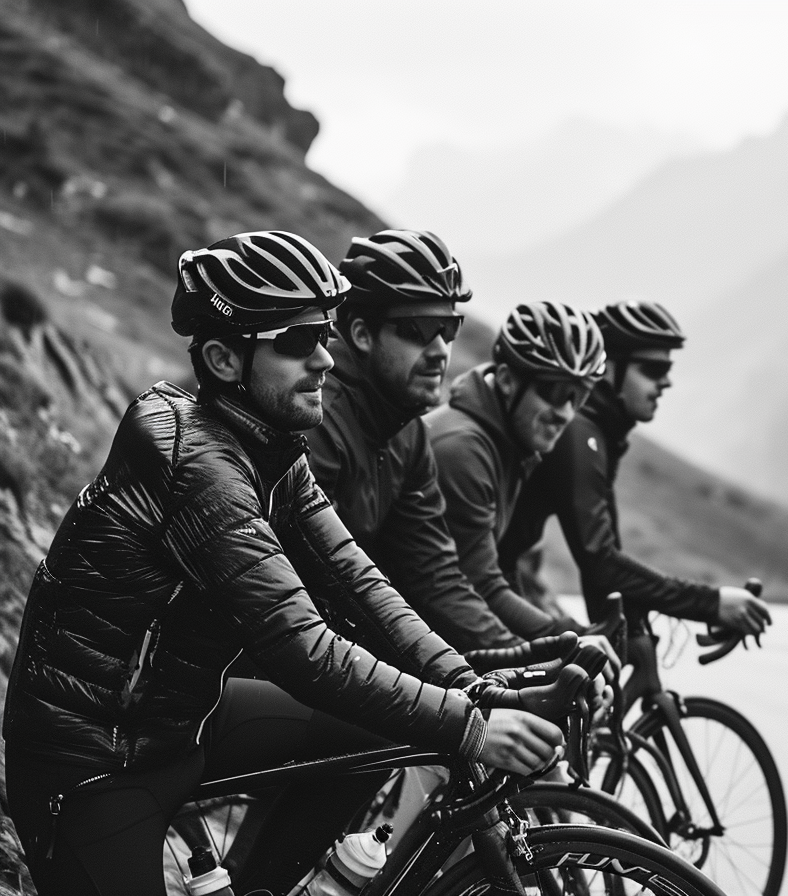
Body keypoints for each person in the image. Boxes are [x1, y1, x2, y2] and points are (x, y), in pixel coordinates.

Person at [1, 231, 565, 896]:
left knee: (379, 734)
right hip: (95, 761)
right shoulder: (201, 467)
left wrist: (471, 688)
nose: (324, 358)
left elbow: (361, 583)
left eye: (324, 334)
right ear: (222, 356)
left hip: (182, 721)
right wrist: (468, 727)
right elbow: (304, 646)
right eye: (298, 342)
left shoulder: (271, 448)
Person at [307, 230, 612, 657]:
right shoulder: (319, 421)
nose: (439, 350)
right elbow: (320, 583)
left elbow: (438, 578)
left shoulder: (406, 433)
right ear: (361, 333)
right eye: (419, 329)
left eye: (448, 329)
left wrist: (526, 660)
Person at [498, 299, 772, 637]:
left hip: (503, 583)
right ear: (610, 368)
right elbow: (599, 562)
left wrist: (630, 630)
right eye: (654, 370)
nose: (667, 382)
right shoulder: (580, 433)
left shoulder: (601, 434)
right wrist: (710, 602)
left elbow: (605, 564)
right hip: (486, 590)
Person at [422, 301, 606, 641]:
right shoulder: (463, 449)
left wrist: (565, 630)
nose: (564, 413)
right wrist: (564, 639)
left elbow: (504, 573)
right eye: (553, 391)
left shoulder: (509, 446)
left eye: (578, 397)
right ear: (506, 380)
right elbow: (478, 586)